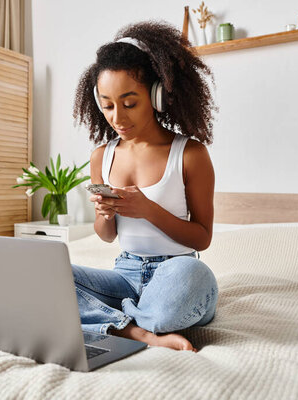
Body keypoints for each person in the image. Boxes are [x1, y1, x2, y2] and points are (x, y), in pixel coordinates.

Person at [72, 21, 217, 352]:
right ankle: (138, 332)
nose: (117, 117)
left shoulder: (190, 154)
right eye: (107, 105)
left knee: (193, 277)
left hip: (175, 273)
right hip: (125, 275)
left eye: (129, 102)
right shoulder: (101, 156)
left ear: (156, 95)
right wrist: (105, 215)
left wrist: (149, 210)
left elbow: (202, 237)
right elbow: (107, 235)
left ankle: (107, 320)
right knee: (46, 275)